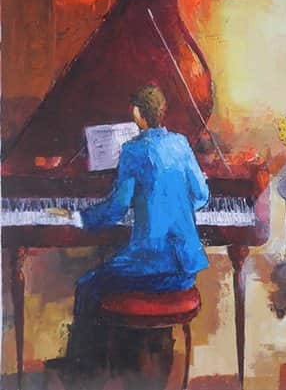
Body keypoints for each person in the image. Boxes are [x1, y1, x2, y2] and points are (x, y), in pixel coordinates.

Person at [48, 83, 210, 371]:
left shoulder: (133, 150)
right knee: (109, 272)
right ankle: (121, 356)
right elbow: (201, 195)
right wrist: (169, 209)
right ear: (161, 112)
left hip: (153, 268)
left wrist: (78, 217)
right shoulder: (181, 143)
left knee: (87, 286)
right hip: (184, 268)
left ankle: (84, 368)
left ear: (137, 113)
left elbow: (117, 207)